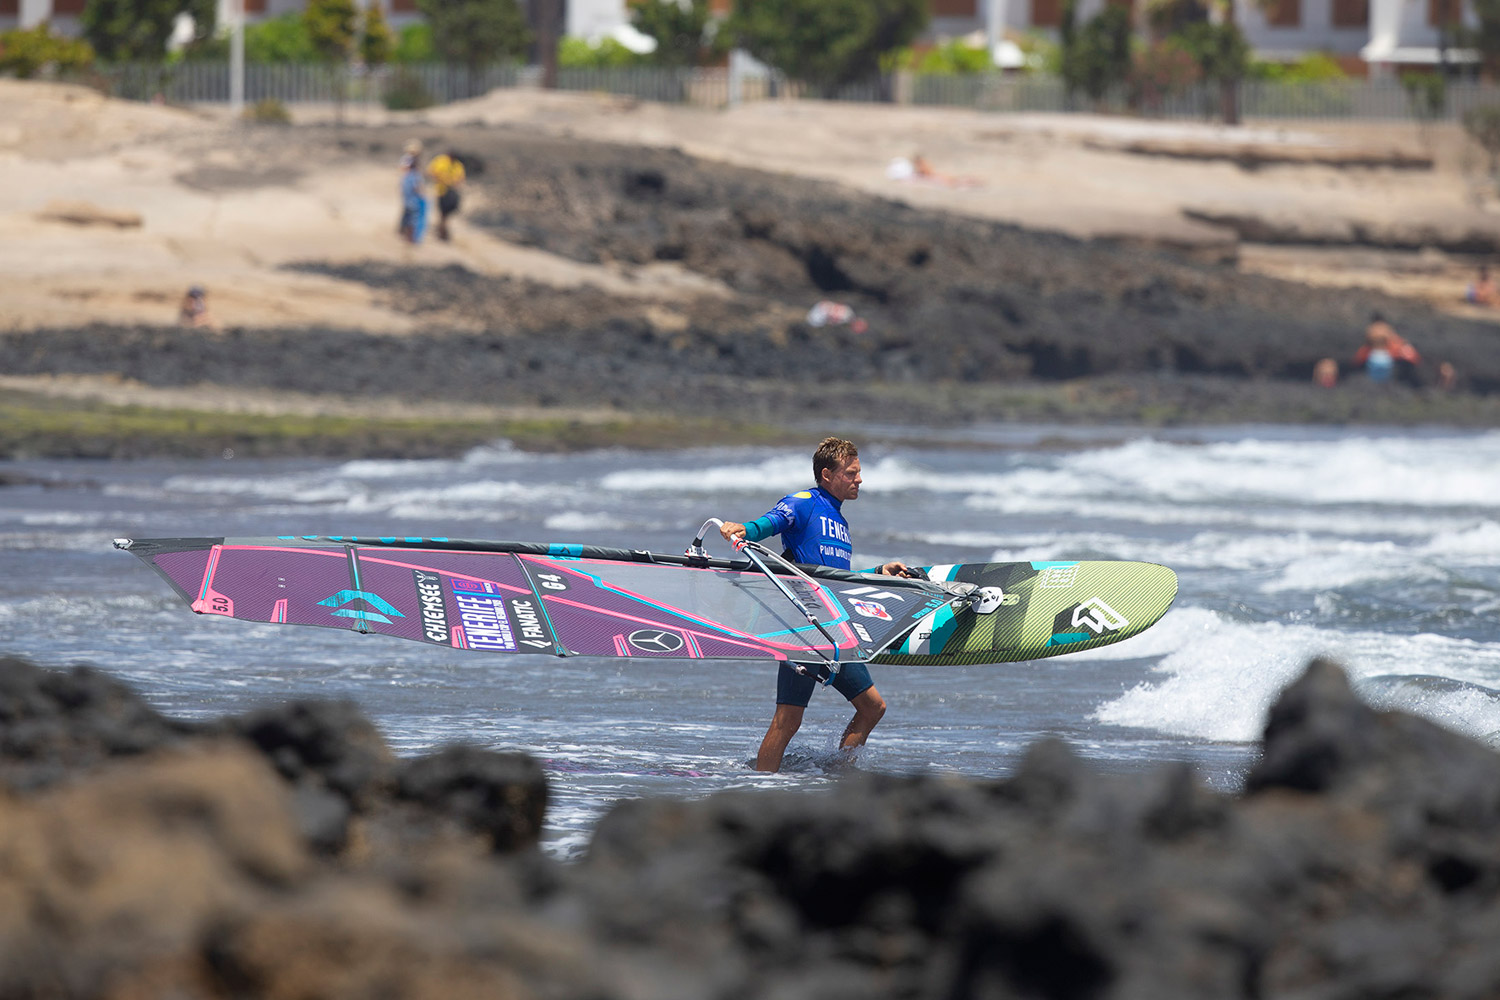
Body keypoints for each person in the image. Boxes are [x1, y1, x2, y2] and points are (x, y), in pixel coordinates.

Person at [719, 437, 916, 773]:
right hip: (803, 630)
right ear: (827, 474)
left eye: (859, 472)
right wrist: (745, 529)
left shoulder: (839, 523)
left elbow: (835, 579)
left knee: (872, 707)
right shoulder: (803, 502)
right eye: (851, 473)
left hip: (832, 631)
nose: (859, 479)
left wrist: (879, 573)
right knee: (788, 718)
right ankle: (760, 786)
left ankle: (840, 774)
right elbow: (769, 523)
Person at [1354, 312, 1421, 386]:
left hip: (1386, 363)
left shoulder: (1396, 344)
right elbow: (1357, 360)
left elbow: (1412, 357)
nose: (1378, 332)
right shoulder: (1365, 350)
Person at [426, 149, 466, 243]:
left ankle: (443, 228)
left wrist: (456, 183)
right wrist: (440, 179)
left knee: (449, 211)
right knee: (443, 212)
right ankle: (442, 230)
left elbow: (461, 177)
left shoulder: (457, 164)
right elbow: (431, 172)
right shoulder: (441, 161)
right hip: (441, 190)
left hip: (451, 190)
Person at [398, 141, 427, 244]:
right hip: (410, 190)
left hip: (407, 187)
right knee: (413, 214)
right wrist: (422, 193)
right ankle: (409, 237)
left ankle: (403, 232)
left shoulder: (411, 165)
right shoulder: (409, 163)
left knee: (408, 211)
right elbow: (416, 186)